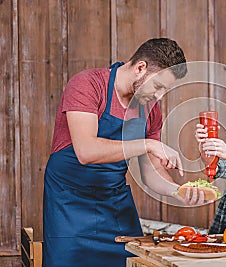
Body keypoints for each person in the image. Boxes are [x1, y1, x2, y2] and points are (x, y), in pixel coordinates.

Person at [43, 38, 204, 267]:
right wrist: (147, 144)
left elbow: (151, 173)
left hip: (114, 204)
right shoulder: (87, 84)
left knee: (134, 262)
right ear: (140, 68)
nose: (158, 97)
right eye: (157, 87)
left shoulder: (149, 109)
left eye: (164, 91)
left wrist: (179, 191)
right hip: (68, 205)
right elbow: (86, 151)